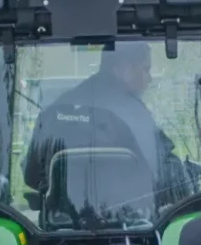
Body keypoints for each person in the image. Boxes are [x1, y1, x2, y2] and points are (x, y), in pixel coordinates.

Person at [22, 40, 177, 197]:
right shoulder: (136, 115)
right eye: (146, 69)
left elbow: (32, 177)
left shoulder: (56, 109)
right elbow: (160, 177)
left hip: (60, 219)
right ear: (124, 69)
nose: (149, 79)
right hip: (131, 217)